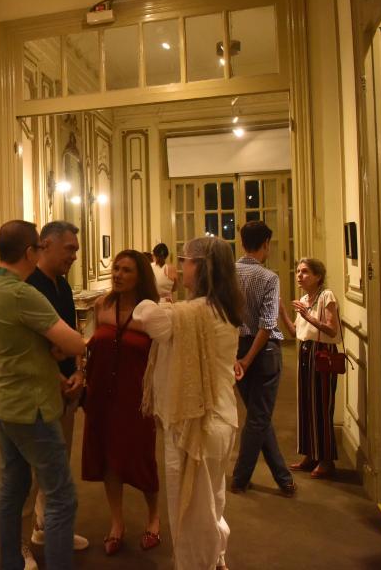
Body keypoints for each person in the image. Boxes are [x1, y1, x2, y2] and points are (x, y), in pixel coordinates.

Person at [0, 220, 87, 570]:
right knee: (61, 496)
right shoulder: (22, 293)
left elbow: (25, 343)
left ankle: (11, 561)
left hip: (3, 401)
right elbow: (74, 342)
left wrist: (50, 350)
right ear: (30, 252)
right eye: (38, 248)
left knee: (13, 486)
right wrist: (63, 347)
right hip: (31, 406)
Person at [136, 237, 245, 570]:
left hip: (194, 423)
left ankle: (200, 564)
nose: (181, 266)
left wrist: (152, 287)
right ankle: (218, 557)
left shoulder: (189, 313)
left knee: (190, 512)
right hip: (223, 416)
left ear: (201, 267)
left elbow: (145, 315)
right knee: (212, 499)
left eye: (186, 260)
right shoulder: (225, 308)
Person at [81, 249, 161, 556]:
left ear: (140, 275)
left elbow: (162, 357)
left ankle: (153, 518)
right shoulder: (103, 304)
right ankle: (117, 522)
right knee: (108, 459)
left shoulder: (151, 310)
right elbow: (90, 344)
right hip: (101, 395)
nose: (118, 275)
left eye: (126, 270)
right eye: (116, 269)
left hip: (137, 398)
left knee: (141, 459)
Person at [24, 221, 89, 554]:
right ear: (46, 244)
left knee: (59, 465)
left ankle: (45, 528)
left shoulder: (62, 285)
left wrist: (78, 371)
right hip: (42, 393)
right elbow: (32, 349)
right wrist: (60, 378)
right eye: (70, 249)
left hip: (67, 389)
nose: (75, 256)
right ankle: (26, 544)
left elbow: (73, 331)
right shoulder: (28, 287)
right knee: (37, 470)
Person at [230, 221, 296, 496]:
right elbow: (267, 325)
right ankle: (240, 477)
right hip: (264, 352)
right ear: (266, 243)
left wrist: (239, 357)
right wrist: (248, 359)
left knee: (260, 415)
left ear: (243, 242)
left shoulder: (229, 273)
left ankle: (283, 477)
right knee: (259, 417)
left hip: (236, 348)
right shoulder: (269, 277)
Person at [279, 258, 342, 479]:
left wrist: (309, 315)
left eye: (305, 272)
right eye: (298, 272)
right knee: (306, 404)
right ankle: (310, 454)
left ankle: (326, 459)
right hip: (306, 350)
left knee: (322, 406)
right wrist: (282, 312)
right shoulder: (306, 299)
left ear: (318, 276)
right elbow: (295, 330)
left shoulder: (327, 296)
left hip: (323, 352)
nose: (299, 276)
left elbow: (332, 330)